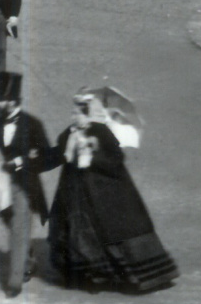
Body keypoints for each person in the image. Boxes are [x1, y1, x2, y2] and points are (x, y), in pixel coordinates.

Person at [48, 91, 179, 293]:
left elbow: (116, 159)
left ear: (87, 113)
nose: (74, 117)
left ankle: (129, 278)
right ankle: (89, 278)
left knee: (110, 232)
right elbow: (60, 151)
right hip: (76, 192)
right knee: (78, 233)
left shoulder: (101, 131)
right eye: (73, 113)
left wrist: (92, 157)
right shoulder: (70, 132)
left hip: (104, 193)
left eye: (78, 113)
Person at [0, 72, 52, 298]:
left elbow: (47, 157)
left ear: (12, 100)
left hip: (24, 185)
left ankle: (14, 283)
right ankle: (27, 258)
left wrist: (22, 161)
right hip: (0, 186)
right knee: (11, 225)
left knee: (19, 229)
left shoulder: (32, 125)